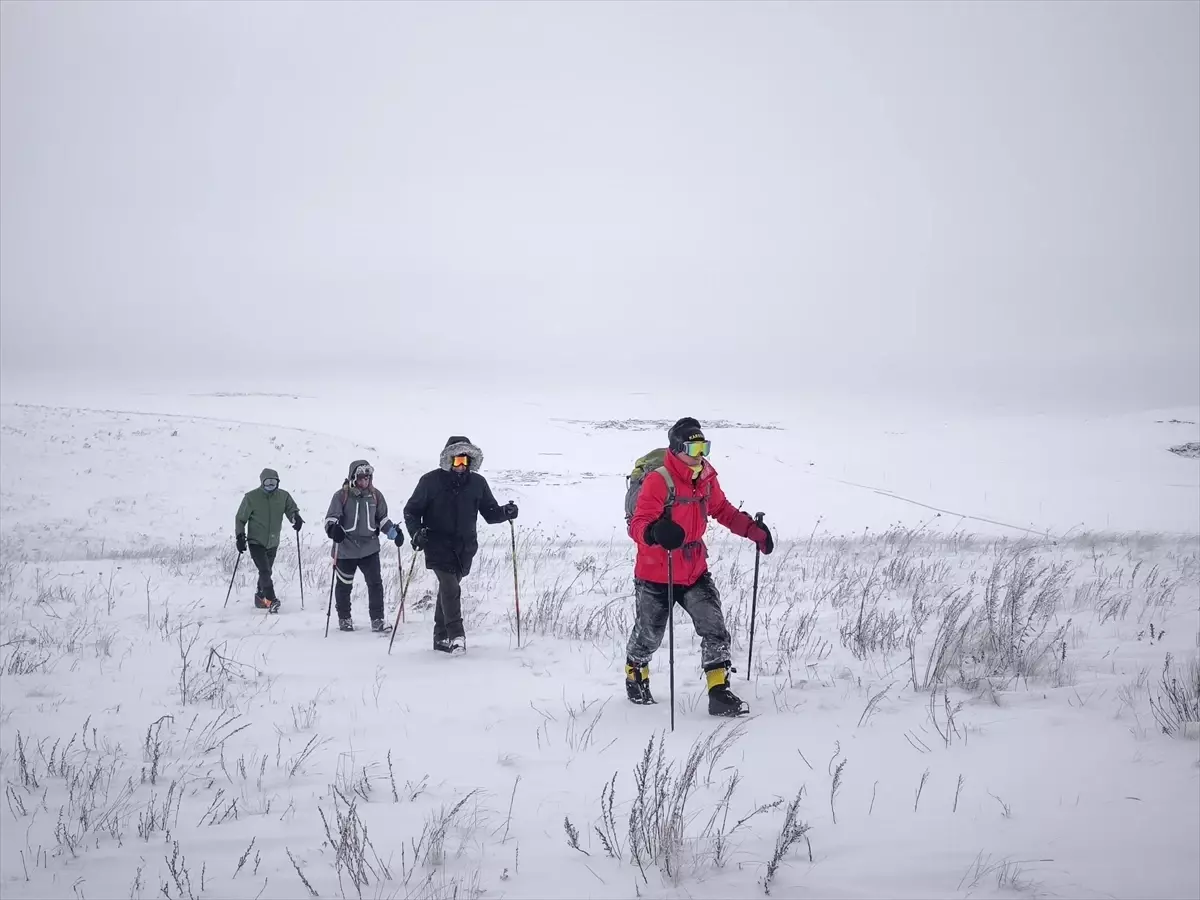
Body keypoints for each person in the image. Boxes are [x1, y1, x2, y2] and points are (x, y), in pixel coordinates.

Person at [625, 417, 773, 716]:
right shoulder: (659, 480)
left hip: (694, 570)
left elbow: (721, 509)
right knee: (649, 635)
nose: (700, 453)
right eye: (694, 446)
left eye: (704, 446)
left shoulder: (705, 477)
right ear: (678, 448)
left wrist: (752, 530)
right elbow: (637, 524)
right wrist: (655, 533)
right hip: (657, 571)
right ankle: (635, 671)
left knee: (714, 628)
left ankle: (719, 692)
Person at [403, 436, 518, 654]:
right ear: (448, 460)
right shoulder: (430, 482)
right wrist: (416, 533)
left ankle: (440, 638)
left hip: (465, 548)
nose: (462, 466)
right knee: (450, 586)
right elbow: (411, 511)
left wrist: (506, 512)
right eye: (457, 461)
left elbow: (490, 513)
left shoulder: (477, 483)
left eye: (466, 461)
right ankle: (457, 636)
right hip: (436, 543)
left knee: (448, 590)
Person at [323, 459, 404, 632]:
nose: (364, 482)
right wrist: (332, 529)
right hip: (346, 549)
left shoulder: (375, 496)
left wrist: (393, 533)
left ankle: (377, 620)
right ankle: (344, 619)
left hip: (369, 549)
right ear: (353, 477)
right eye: (361, 478)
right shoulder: (341, 496)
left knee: (375, 584)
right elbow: (331, 518)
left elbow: (382, 519)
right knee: (344, 586)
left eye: (367, 478)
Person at [234, 467, 303, 612]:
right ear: (262, 483)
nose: (271, 485)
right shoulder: (251, 497)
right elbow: (240, 518)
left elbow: (291, 509)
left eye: (274, 482)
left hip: (273, 542)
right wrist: (240, 536)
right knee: (264, 570)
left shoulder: (283, 496)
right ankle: (271, 600)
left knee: (267, 571)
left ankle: (260, 597)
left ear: (278, 482)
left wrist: (295, 518)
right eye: (267, 483)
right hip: (256, 541)